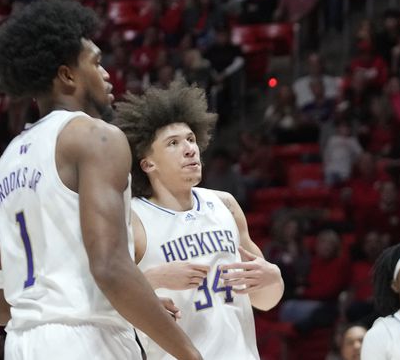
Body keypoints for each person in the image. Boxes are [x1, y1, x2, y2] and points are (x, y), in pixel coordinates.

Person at [0, 0, 200, 359]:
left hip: (23, 343)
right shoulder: (95, 136)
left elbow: (1, 307)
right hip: (86, 342)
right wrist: (191, 355)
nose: (107, 74)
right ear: (67, 75)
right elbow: (110, 267)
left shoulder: (7, 160)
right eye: (97, 63)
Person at [115, 80, 284, 358]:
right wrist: (151, 279)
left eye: (191, 139)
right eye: (173, 143)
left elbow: (266, 301)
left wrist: (273, 277)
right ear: (147, 164)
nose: (189, 149)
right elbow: (105, 302)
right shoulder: (133, 219)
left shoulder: (225, 204)